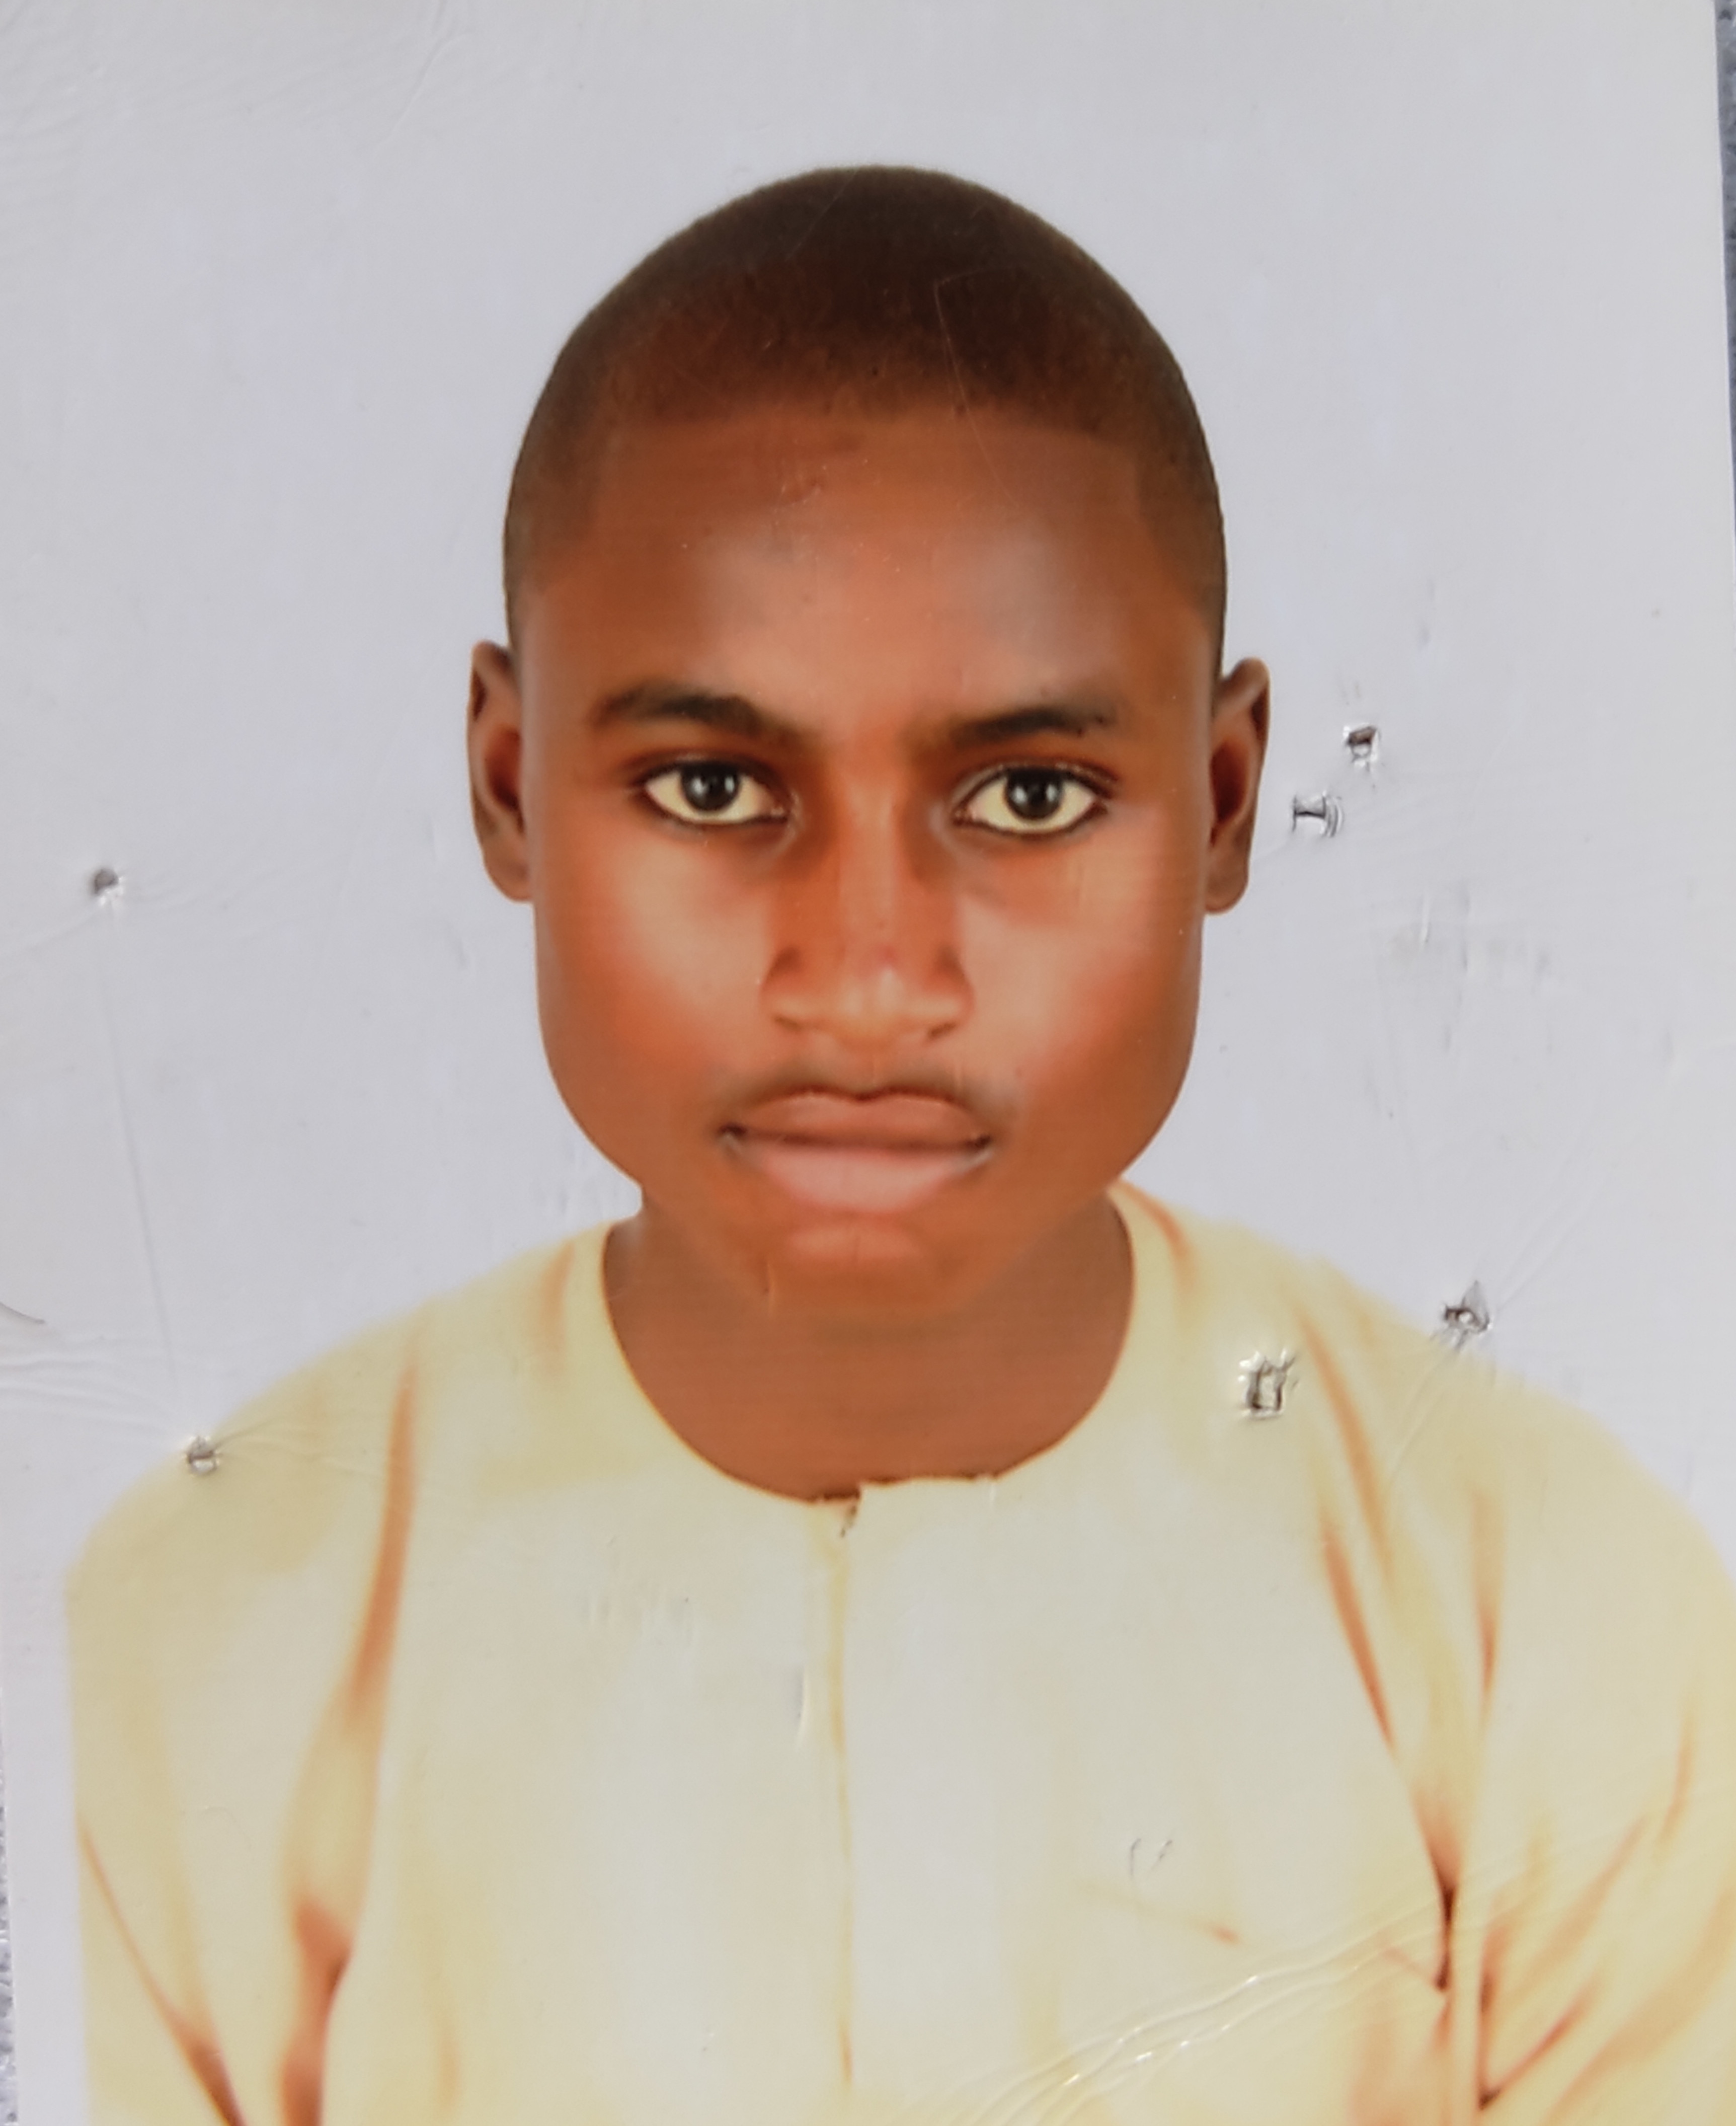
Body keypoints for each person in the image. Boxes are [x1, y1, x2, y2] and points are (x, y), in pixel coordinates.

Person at [70, 167, 1736, 2126]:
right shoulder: (199, 1642)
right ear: (507, 784)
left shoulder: (1544, 1613)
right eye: (712, 786)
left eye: (1027, 795)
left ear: (1221, 803)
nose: (867, 979)